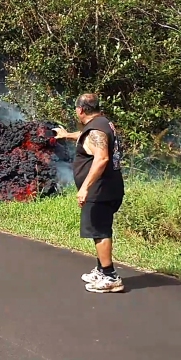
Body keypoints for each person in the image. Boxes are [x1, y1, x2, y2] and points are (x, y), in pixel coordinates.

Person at [53, 93, 125, 293]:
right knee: (98, 229)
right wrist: (67, 135)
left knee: (99, 230)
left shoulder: (96, 129)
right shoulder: (102, 124)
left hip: (99, 190)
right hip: (108, 187)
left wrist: (85, 187)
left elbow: (101, 158)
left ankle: (110, 277)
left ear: (80, 110)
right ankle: (101, 269)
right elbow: (88, 138)